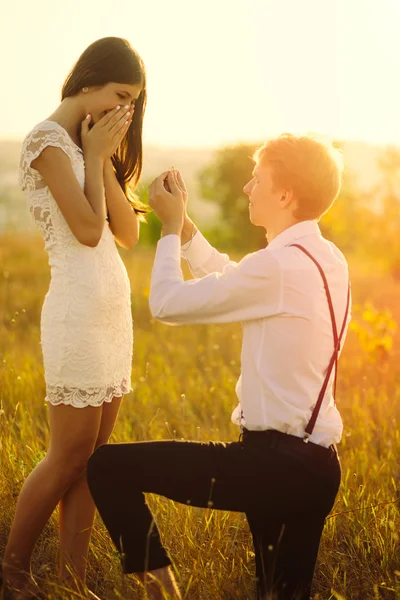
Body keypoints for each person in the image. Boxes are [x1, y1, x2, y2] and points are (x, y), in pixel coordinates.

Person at [86, 134, 351, 600]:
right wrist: (186, 228)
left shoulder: (278, 268)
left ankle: (160, 588)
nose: (248, 188)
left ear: (285, 194)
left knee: (109, 467)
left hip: (271, 464)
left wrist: (167, 232)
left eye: (257, 179)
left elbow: (167, 303)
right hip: (317, 467)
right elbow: (238, 279)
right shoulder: (325, 258)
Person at [2, 37, 147, 600]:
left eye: (132, 101)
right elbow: (88, 233)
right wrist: (92, 157)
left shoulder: (90, 143)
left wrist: (103, 158)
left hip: (112, 312)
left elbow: (127, 233)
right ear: (88, 80)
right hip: (75, 312)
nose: (123, 111)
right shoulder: (47, 141)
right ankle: (13, 571)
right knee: (66, 456)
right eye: (119, 95)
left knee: (96, 460)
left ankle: (71, 581)